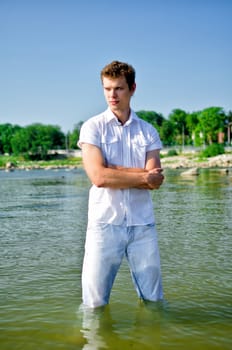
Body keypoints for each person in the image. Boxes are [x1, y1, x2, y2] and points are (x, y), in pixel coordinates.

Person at [78, 60, 164, 308]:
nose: (112, 95)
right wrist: (141, 176)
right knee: (93, 305)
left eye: (118, 88)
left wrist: (112, 168)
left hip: (142, 226)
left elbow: (155, 181)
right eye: (107, 89)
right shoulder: (92, 128)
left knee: (154, 301)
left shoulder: (148, 131)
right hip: (105, 225)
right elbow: (99, 177)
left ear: (132, 88)